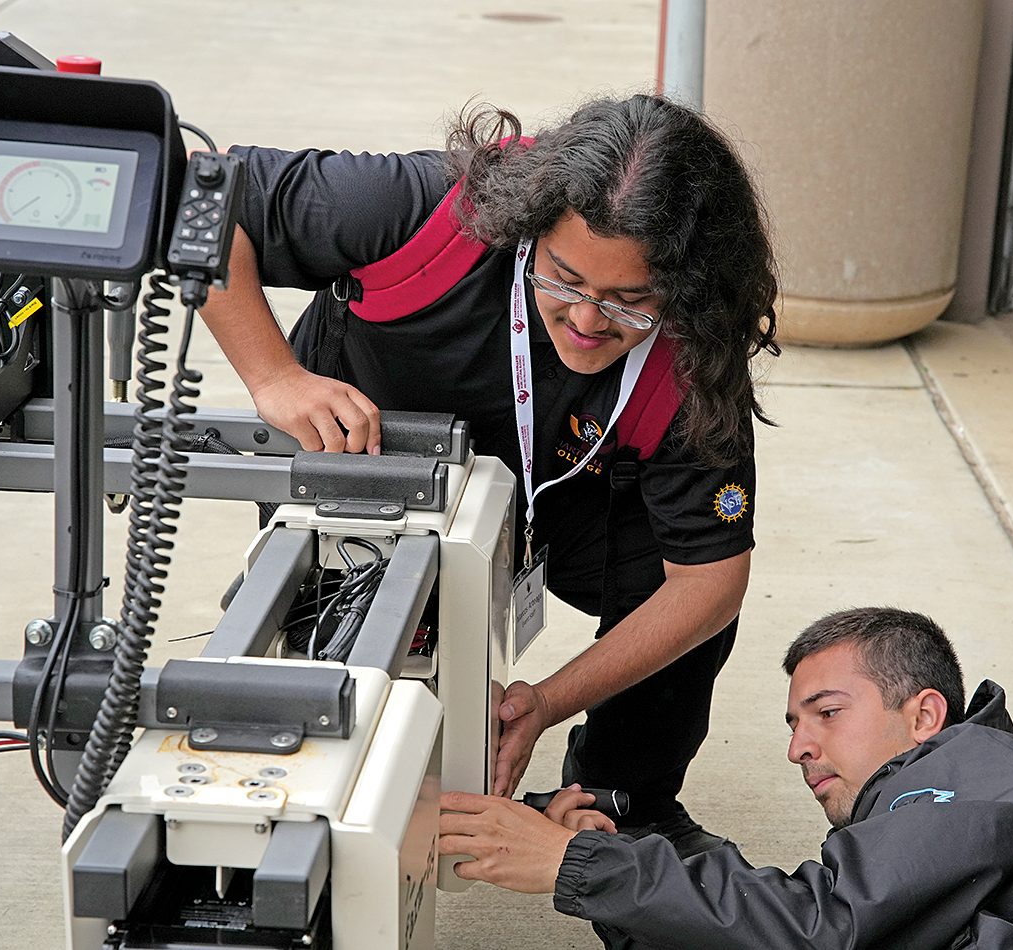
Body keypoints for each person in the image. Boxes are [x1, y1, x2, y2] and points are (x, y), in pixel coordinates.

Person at [198, 94, 780, 856]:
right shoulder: (421, 214)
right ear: (527, 226)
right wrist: (273, 376)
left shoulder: (694, 351)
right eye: (564, 279)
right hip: (366, 462)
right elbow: (196, 195)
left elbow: (708, 584)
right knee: (347, 668)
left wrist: (543, 702)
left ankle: (620, 798)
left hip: (569, 494)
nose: (586, 319)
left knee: (682, 586)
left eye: (629, 300)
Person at [438, 607, 1013, 950]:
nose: (800, 747)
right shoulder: (929, 839)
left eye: (825, 713)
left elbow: (822, 925)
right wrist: (612, 874)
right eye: (793, 725)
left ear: (925, 714)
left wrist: (578, 864)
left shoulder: (981, 769)